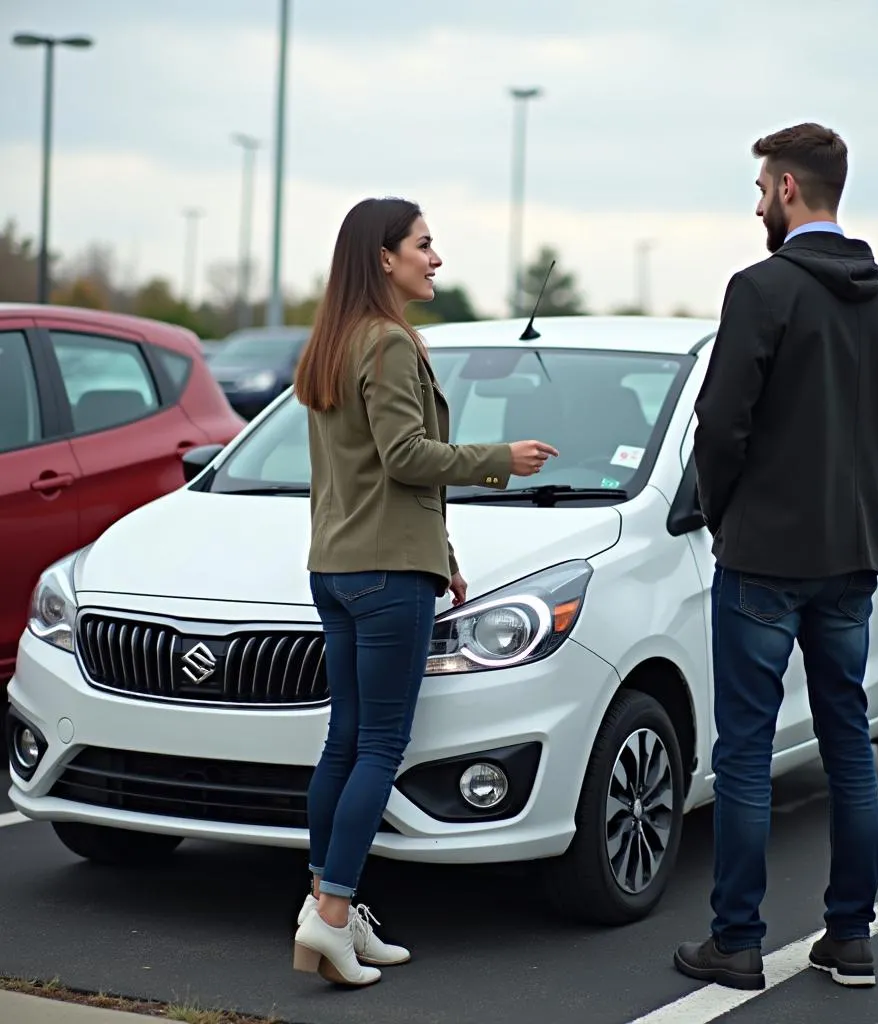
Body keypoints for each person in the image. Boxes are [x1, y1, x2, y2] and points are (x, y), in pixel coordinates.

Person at [672, 124, 878, 992]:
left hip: (764, 558)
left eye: (760, 190)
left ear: (785, 189)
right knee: (848, 740)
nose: (755, 206)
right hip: (851, 555)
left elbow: (720, 427)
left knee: (744, 748)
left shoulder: (761, 289)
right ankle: (851, 937)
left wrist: (723, 511)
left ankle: (735, 942)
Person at [291, 197, 559, 987]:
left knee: (345, 741)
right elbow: (407, 455)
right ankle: (334, 915)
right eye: (423, 244)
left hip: (337, 568)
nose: (435, 259)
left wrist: (439, 549)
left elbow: (361, 469)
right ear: (384, 257)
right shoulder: (388, 344)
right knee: (379, 747)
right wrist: (498, 458)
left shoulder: (331, 343)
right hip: (383, 576)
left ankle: (326, 910)